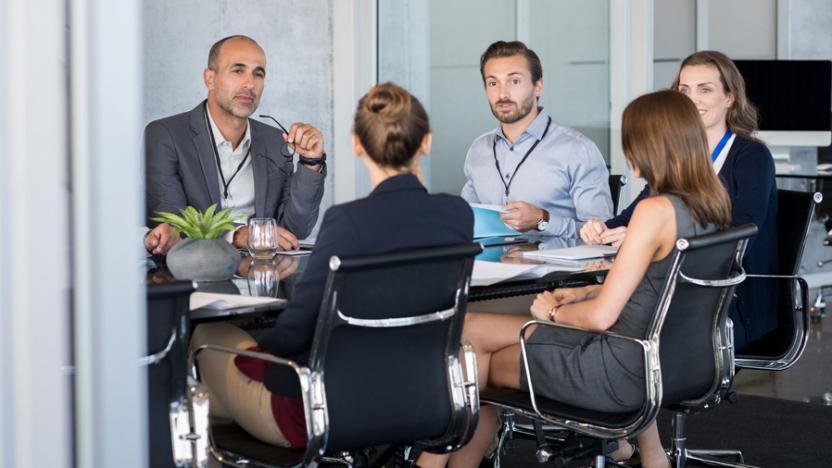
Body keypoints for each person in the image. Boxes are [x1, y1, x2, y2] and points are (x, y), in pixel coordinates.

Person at [419, 90, 732, 468]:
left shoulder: (654, 210)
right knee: (471, 335)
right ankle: (653, 456)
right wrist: (582, 291)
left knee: (470, 355)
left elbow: (601, 318)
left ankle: (433, 464)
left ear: (650, 144)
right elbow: (653, 290)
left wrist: (552, 312)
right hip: (667, 362)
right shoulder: (711, 204)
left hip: (615, 369)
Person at [190, 82, 474, 448]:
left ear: (357, 145)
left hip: (324, 413)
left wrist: (258, 357)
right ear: (427, 142)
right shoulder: (457, 215)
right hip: (427, 403)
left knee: (206, 338)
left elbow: (297, 330)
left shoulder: (348, 222)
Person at [581, 50, 777, 351]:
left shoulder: (751, 156)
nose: (692, 99)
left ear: (730, 98)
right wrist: (600, 229)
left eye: (705, 89)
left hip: (729, 298)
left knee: (595, 323)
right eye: (684, 90)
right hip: (674, 292)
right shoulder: (678, 160)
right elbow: (631, 218)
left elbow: (742, 231)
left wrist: (644, 240)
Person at [145, 35, 326, 254]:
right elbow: (171, 227)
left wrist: (310, 163)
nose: (250, 84)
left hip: (263, 276)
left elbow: (296, 230)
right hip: (194, 275)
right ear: (210, 79)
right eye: (238, 70)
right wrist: (236, 235)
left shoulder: (274, 139)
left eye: (258, 74)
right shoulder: (165, 135)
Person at [460, 41, 612, 237]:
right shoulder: (479, 149)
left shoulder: (577, 150)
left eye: (514, 81)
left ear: (538, 86)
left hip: (555, 266)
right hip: (488, 264)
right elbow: (464, 221)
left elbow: (603, 234)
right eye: (493, 83)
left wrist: (543, 220)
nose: (502, 93)